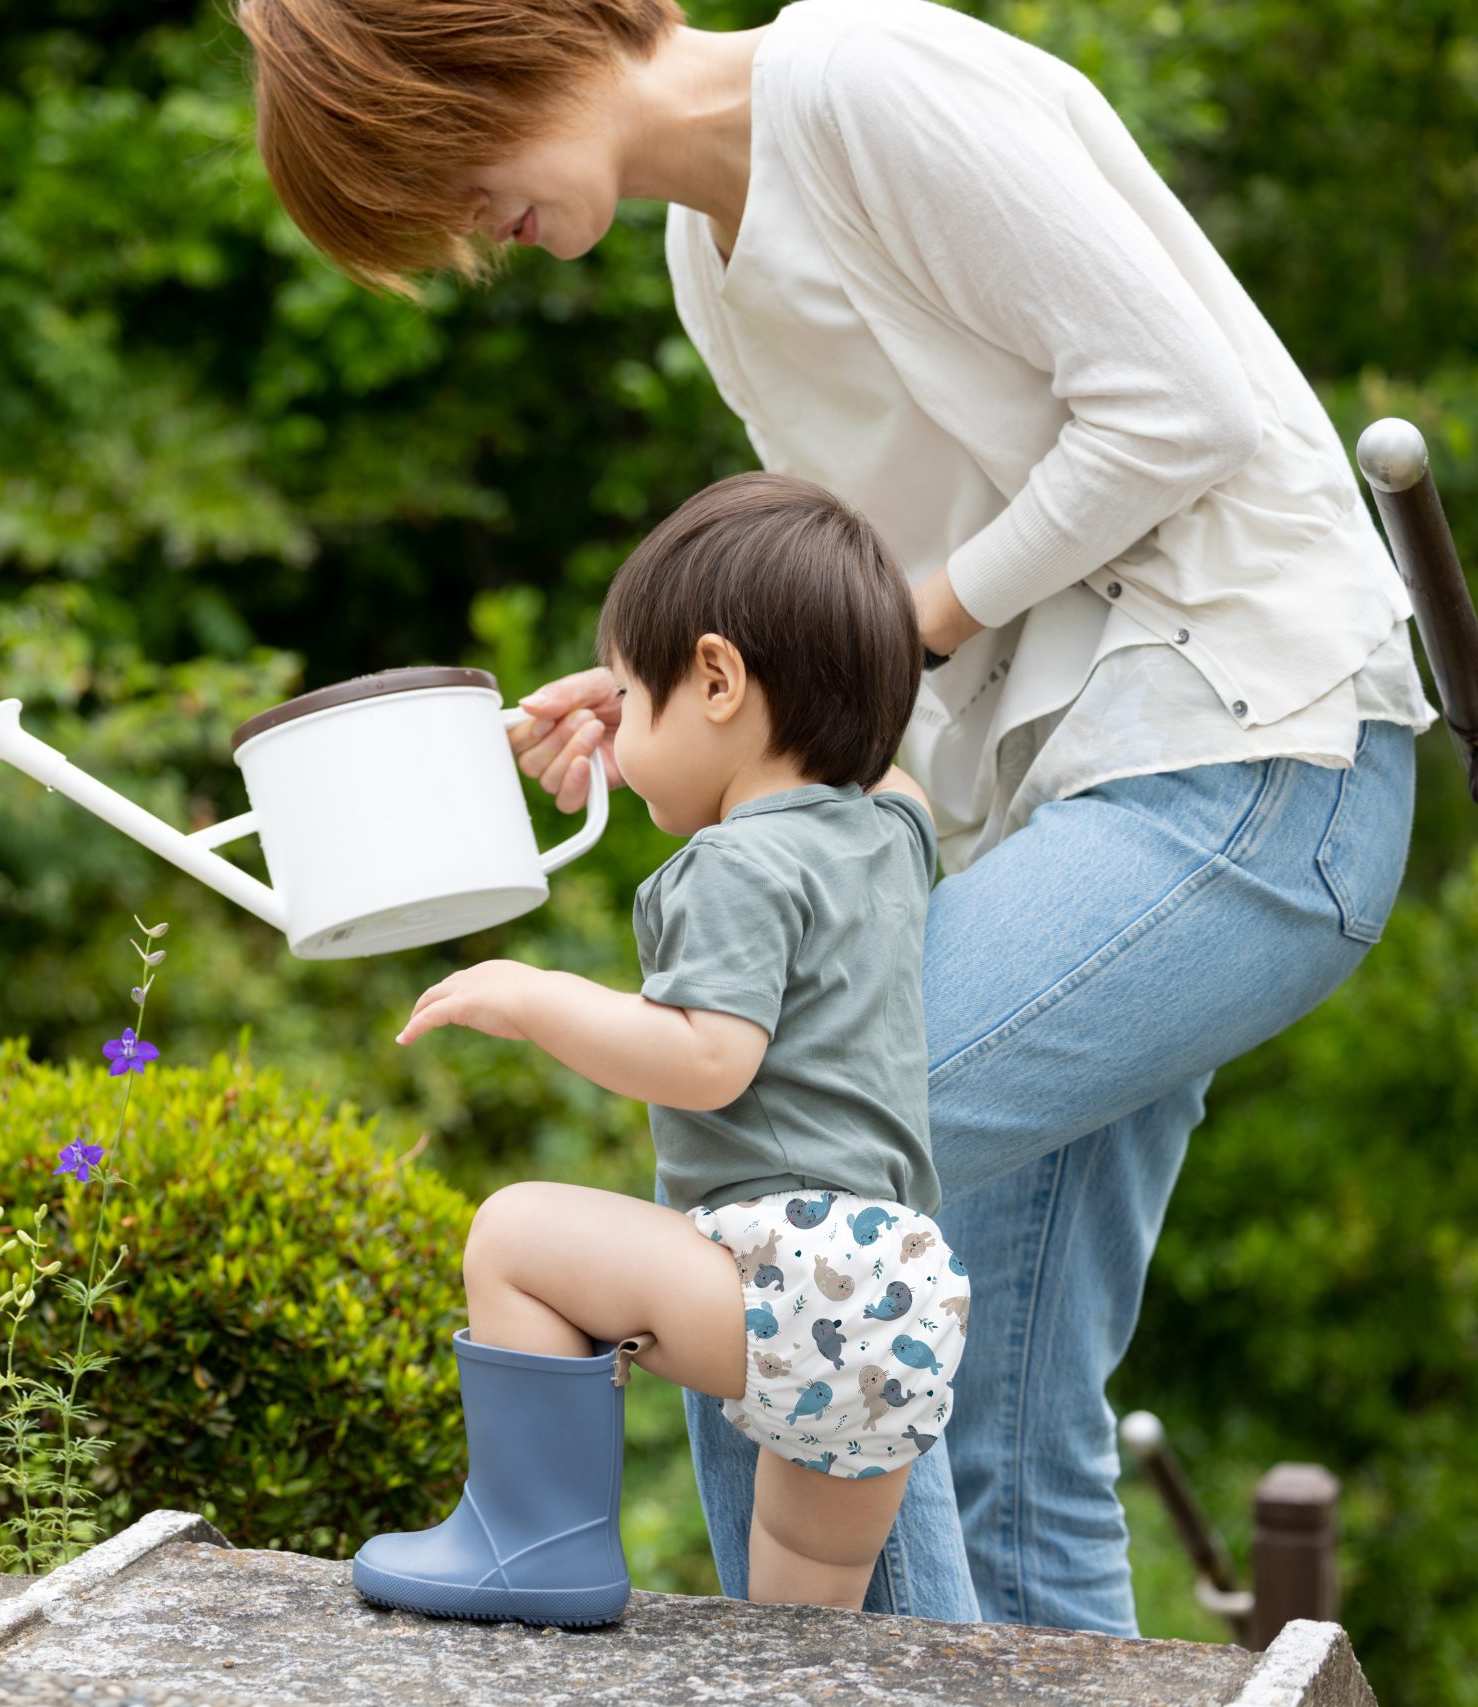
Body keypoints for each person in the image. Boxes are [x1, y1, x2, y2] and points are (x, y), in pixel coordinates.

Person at [239, 0, 1431, 1632]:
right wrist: (692, 725)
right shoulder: (705, 265)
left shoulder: (868, 83)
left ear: (495, 47)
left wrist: (899, 630)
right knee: (1002, 1433)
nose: (466, 231)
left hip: (1240, 750)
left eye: (439, 167)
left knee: (774, 1206)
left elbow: (1180, 414)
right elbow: (872, 668)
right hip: (1063, 814)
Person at [369, 471, 966, 1625]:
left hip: (790, 1268)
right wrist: (650, 692)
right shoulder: (887, 835)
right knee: (802, 1640)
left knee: (515, 1236)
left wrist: (534, 996)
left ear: (716, 679)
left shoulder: (732, 863)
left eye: (634, 701)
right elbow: (887, 768)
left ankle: (529, 1545)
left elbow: (707, 1059)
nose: (620, 732)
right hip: (903, 1291)